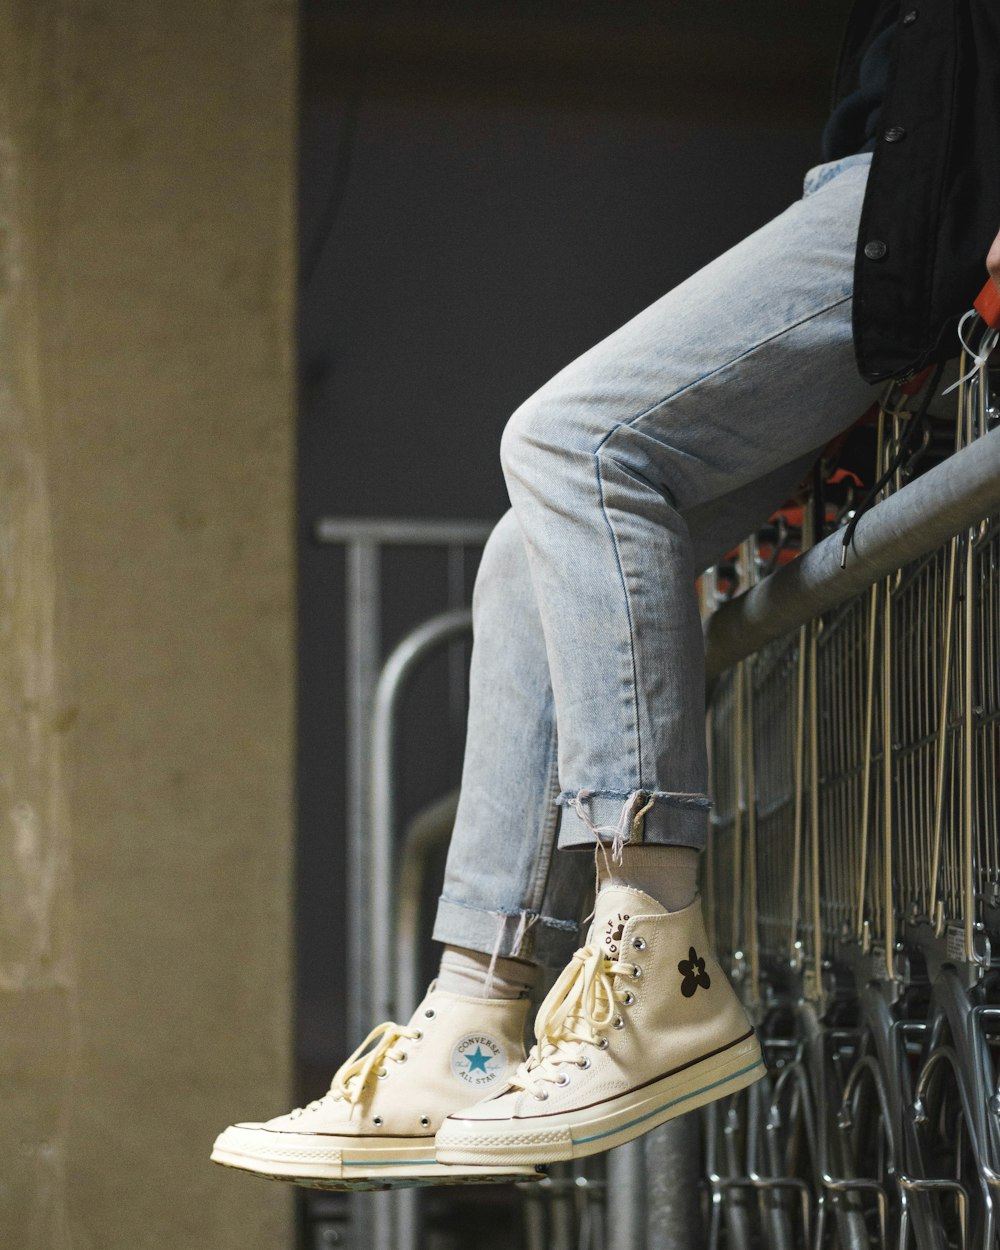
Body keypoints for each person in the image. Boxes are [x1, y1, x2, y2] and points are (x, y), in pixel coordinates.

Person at [211, 0, 1000, 1188]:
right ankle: (476, 1011)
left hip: (938, 185)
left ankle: (654, 933)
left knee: (571, 440)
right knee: (526, 549)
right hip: (881, 171)